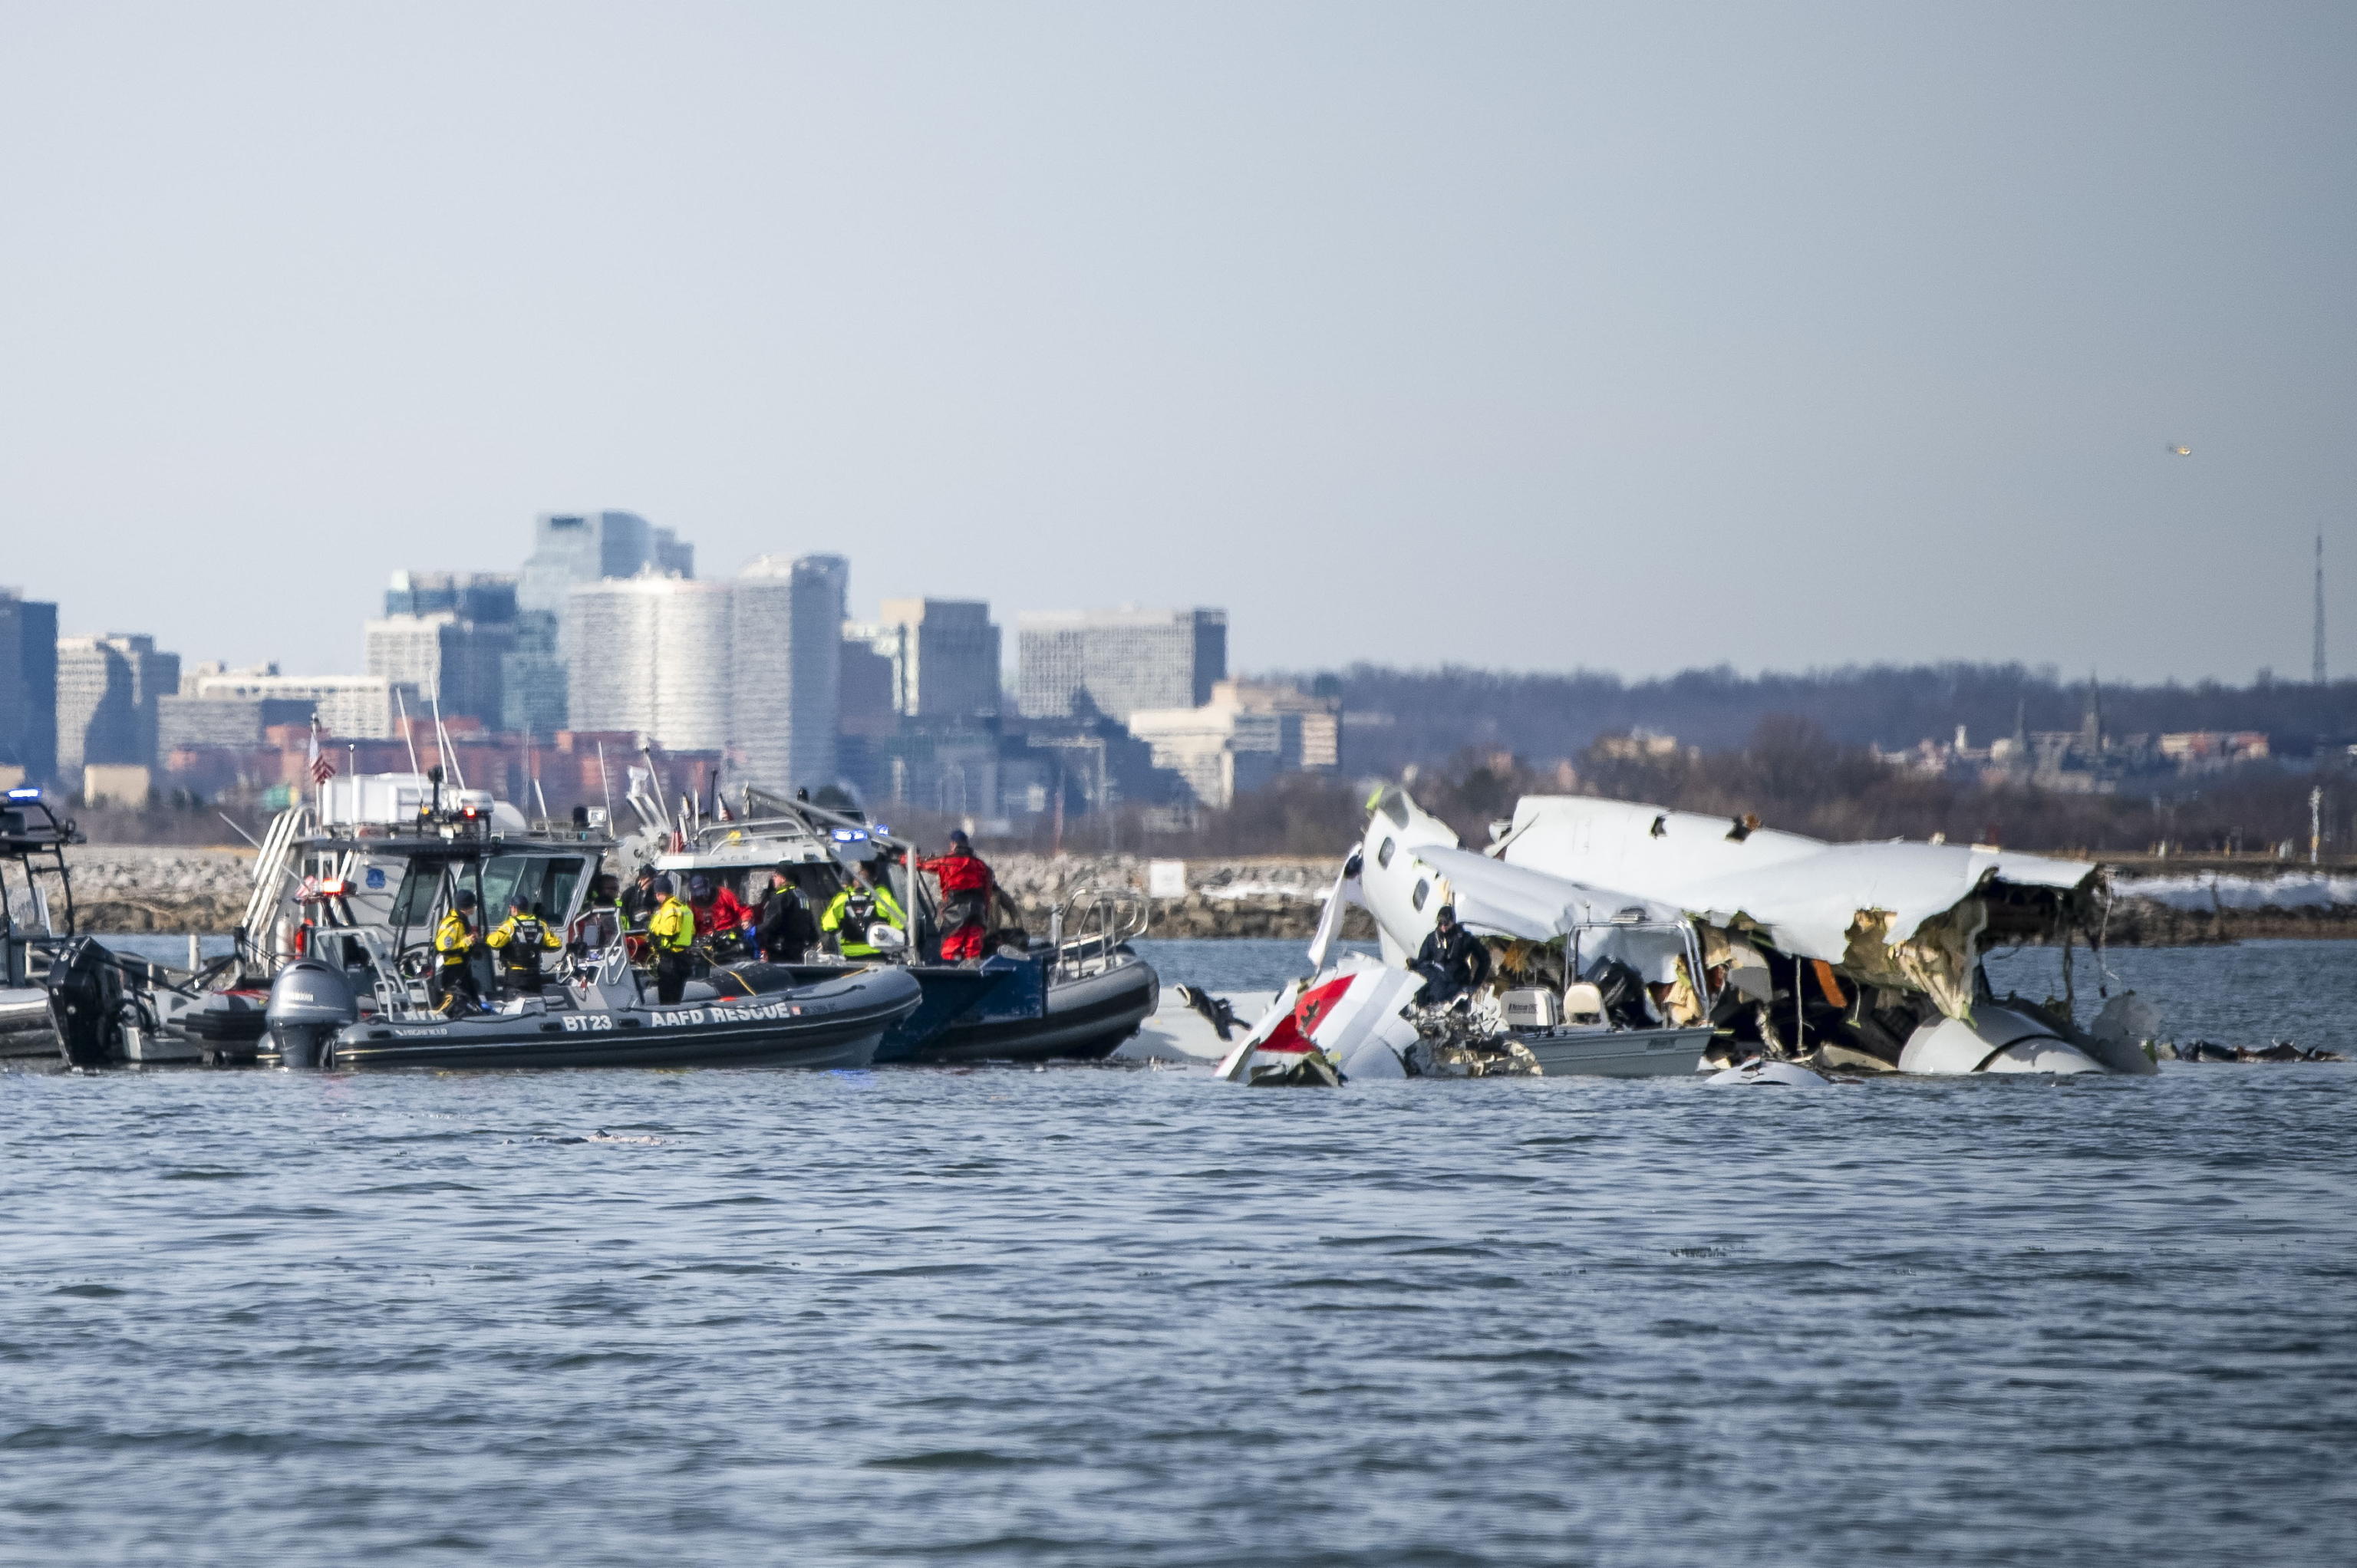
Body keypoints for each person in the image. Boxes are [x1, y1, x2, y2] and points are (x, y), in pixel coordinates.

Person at [919, 829, 996, 964]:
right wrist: (986, 913)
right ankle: (973, 973)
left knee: (951, 946)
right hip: (978, 911)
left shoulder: (946, 861)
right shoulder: (981, 865)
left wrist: (903, 858)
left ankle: (951, 972)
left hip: (956, 912)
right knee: (973, 948)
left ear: (953, 844)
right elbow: (988, 892)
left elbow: (923, 864)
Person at [821, 861, 906, 960]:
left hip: (851, 958)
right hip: (878, 956)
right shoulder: (882, 897)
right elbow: (901, 923)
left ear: (852, 879)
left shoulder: (841, 900)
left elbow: (828, 926)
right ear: (874, 878)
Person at [485, 892, 563, 999]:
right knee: (537, 1004)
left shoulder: (510, 925)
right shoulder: (541, 924)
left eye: (511, 907)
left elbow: (494, 942)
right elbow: (556, 945)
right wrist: (537, 946)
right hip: (534, 976)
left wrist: (485, 938)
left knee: (513, 1006)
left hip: (515, 976)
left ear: (514, 908)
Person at [1413, 904, 1492, 1005]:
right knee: (1422, 998)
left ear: (1453, 922)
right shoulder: (1432, 939)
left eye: (1446, 923)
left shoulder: (1464, 938)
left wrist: (1475, 985)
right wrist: (1430, 972)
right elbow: (1422, 962)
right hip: (1436, 982)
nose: (1443, 927)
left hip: (1458, 983)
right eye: (1440, 923)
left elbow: (1485, 959)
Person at [645, 875, 697, 1004]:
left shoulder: (671, 909)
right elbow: (692, 931)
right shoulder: (682, 907)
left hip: (671, 957)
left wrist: (655, 935)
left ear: (660, 893)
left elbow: (670, 931)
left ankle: (668, 1014)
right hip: (682, 955)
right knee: (677, 992)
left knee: (667, 992)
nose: (656, 897)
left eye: (657, 894)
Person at [431, 888, 483, 1016]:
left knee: (472, 995)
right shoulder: (454, 924)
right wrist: (467, 942)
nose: (474, 908)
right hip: (453, 970)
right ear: (466, 907)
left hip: (462, 968)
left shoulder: (461, 921)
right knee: (459, 997)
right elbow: (444, 947)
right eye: (473, 906)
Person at [756, 867, 819, 963]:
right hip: (800, 946)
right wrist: (813, 939)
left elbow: (772, 922)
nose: (774, 879)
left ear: (783, 879)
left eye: (776, 876)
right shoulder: (802, 895)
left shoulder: (782, 896)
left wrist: (754, 932)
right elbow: (810, 919)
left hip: (781, 948)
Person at [572, 873, 623, 955]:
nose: (617, 892)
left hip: (621, 950)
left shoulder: (619, 909)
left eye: (617, 888)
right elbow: (590, 943)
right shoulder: (591, 914)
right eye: (614, 888)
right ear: (602, 890)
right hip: (603, 956)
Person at [620, 865, 662, 931]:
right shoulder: (629, 893)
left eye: (656, 878)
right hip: (633, 930)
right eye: (652, 878)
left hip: (650, 930)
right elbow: (622, 912)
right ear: (642, 878)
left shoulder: (656, 894)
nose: (654, 881)